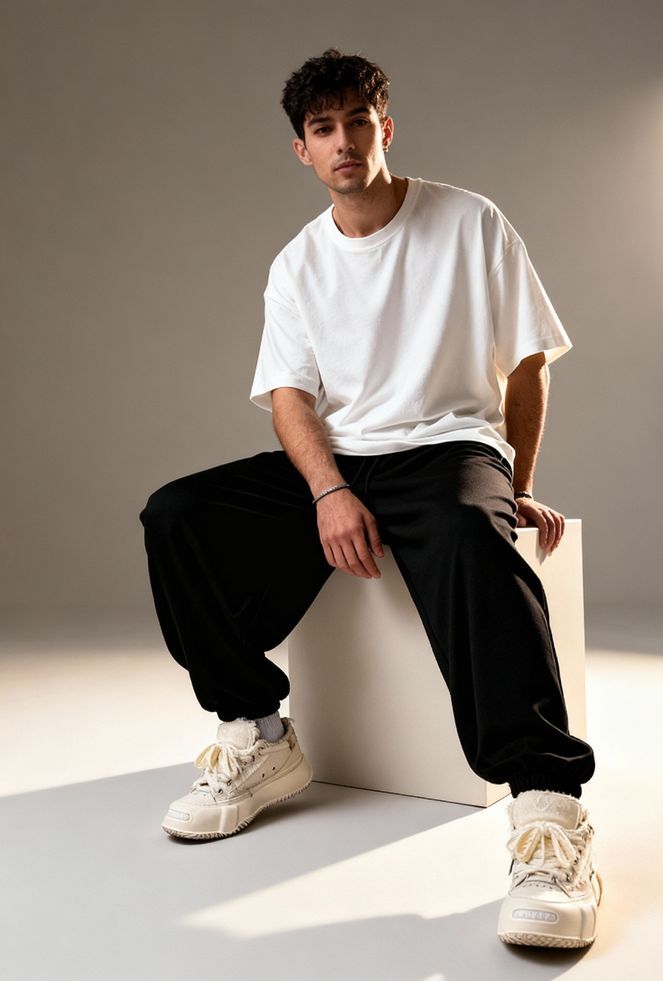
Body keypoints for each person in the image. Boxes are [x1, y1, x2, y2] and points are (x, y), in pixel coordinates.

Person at [139, 48, 602, 948]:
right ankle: (259, 731)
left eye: (358, 121)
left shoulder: (470, 222)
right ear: (303, 150)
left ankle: (548, 813)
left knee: (474, 537)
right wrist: (329, 489)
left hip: (449, 447)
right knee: (177, 515)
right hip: (343, 457)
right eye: (323, 128)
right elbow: (290, 397)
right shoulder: (297, 263)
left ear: (385, 128)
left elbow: (527, 364)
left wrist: (517, 484)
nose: (343, 140)